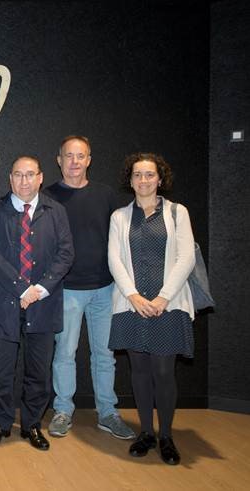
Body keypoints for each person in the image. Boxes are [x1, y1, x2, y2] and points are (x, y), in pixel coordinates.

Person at [44, 136, 135, 441]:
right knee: (64, 353)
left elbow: (120, 241)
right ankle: (62, 410)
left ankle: (107, 412)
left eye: (80, 156)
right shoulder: (48, 197)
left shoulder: (105, 195)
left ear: (89, 160)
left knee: (105, 355)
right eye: (68, 156)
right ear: (59, 160)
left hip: (104, 289)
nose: (74, 161)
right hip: (66, 289)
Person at [0, 156, 74, 451]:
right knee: (2, 371)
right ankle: (1, 422)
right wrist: (22, 289)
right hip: (4, 304)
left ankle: (32, 424)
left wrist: (40, 289)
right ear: (10, 178)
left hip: (43, 304)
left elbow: (65, 254)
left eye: (30, 174)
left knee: (38, 371)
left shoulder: (56, 212)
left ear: (41, 177)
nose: (24, 181)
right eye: (18, 175)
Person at [108, 153, 195, 466]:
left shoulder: (177, 213)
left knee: (163, 372)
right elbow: (114, 259)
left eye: (149, 175)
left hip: (167, 307)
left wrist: (163, 298)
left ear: (160, 179)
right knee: (140, 372)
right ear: (130, 180)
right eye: (137, 175)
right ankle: (146, 433)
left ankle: (166, 436)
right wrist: (132, 296)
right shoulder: (120, 217)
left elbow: (186, 258)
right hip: (132, 306)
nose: (143, 180)